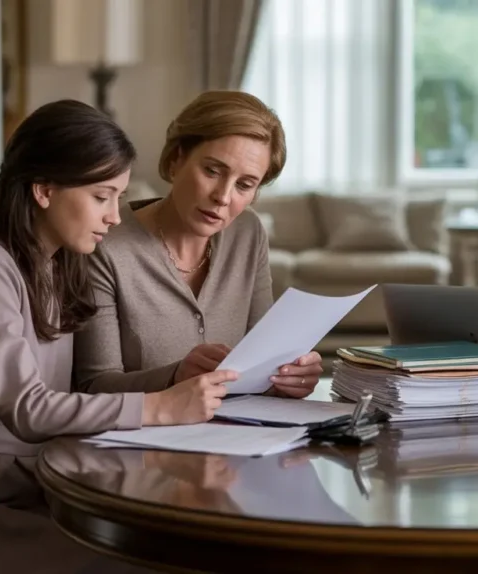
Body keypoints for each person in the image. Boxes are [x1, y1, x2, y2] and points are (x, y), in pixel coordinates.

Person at [0, 100, 229, 573]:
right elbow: (28, 408)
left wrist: (175, 376)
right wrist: (161, 407)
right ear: (44, 189)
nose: (116, 217)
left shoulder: (58, 264)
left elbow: (80, 391)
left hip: (46, 483)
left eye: (119, 198)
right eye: (103, 196)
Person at [73, 91, 322, 398]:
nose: (223, 196)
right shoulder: (105, 242)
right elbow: (92, 387)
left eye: (244, 185)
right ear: (176, 159)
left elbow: (262, 365)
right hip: (141, 440)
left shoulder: (248, 232)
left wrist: (289, 377)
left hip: (241, 437)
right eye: (213, 171)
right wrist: (176, 376)